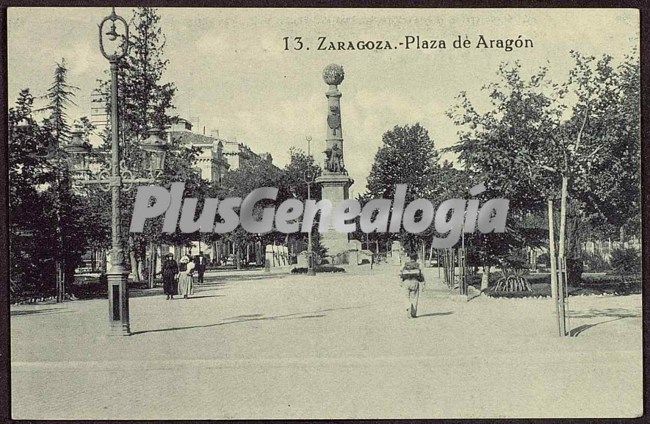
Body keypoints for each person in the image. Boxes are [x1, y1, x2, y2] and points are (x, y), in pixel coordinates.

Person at [400, 253, 424, 318]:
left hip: (406, 282)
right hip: (415, 282)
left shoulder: (405, 264)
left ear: (410, 258)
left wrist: (401, 282)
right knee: (415, 298)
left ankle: (408, 305)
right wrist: (423, 283)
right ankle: (413, 313)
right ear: (416, 258)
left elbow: (401, 273)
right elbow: (421, 275)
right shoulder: (418, 265)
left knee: (406, 296)